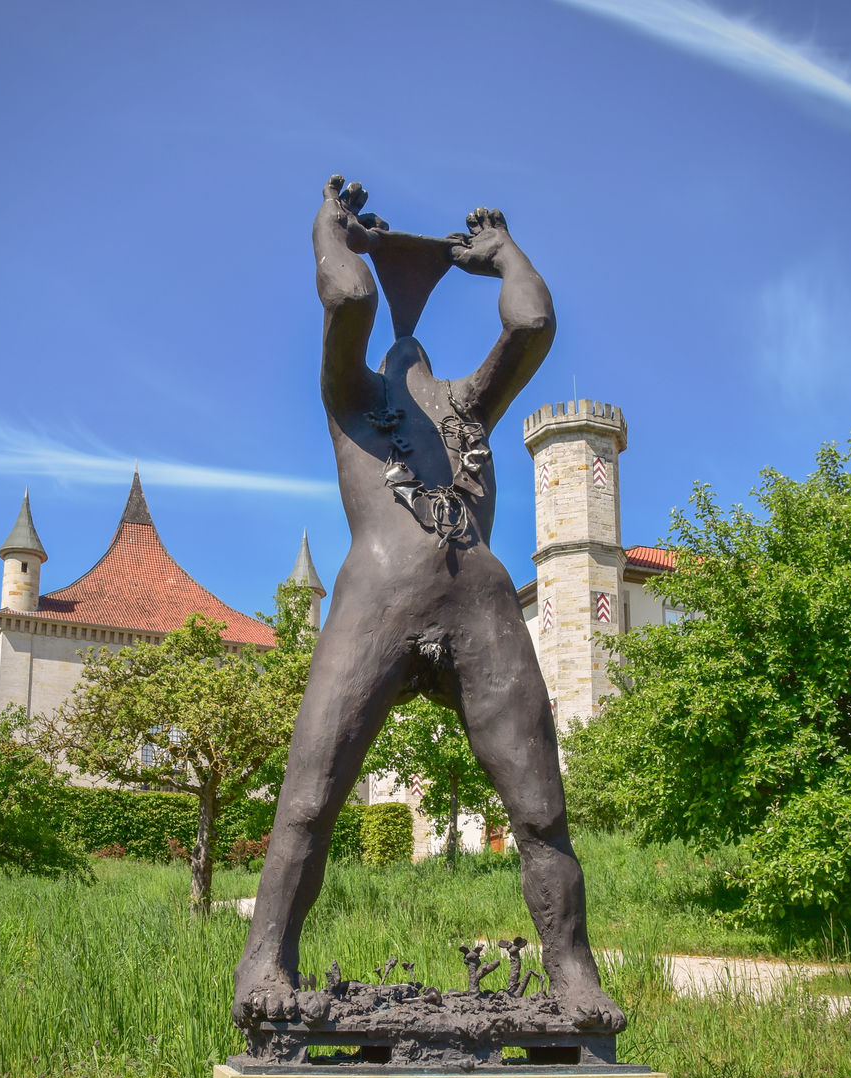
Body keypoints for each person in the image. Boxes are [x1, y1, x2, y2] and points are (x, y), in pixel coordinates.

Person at [233, 176, 623, 1032]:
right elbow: (348, 297)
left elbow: (531, 324)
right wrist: (330, 232)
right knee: (308, 799)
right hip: (373, 602)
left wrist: (502, 251)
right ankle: (265, 960)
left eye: (423, 361)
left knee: (541, 810)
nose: (409, 357)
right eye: (393, 356)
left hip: (481, 610)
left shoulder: (468, 412)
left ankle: (573, 973)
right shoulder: (355, 405)